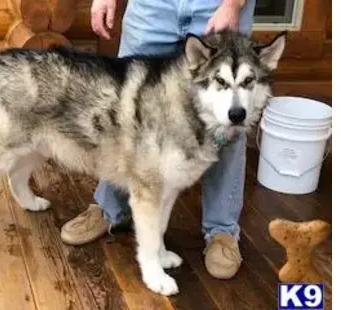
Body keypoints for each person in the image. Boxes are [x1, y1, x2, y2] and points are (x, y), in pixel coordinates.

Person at [61, 0, 256, 279]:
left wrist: (233, 5)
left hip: (218, 5)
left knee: (227, 122)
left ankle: (222, 230)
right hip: (151, 6)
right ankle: (109, 208)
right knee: (126, 107)